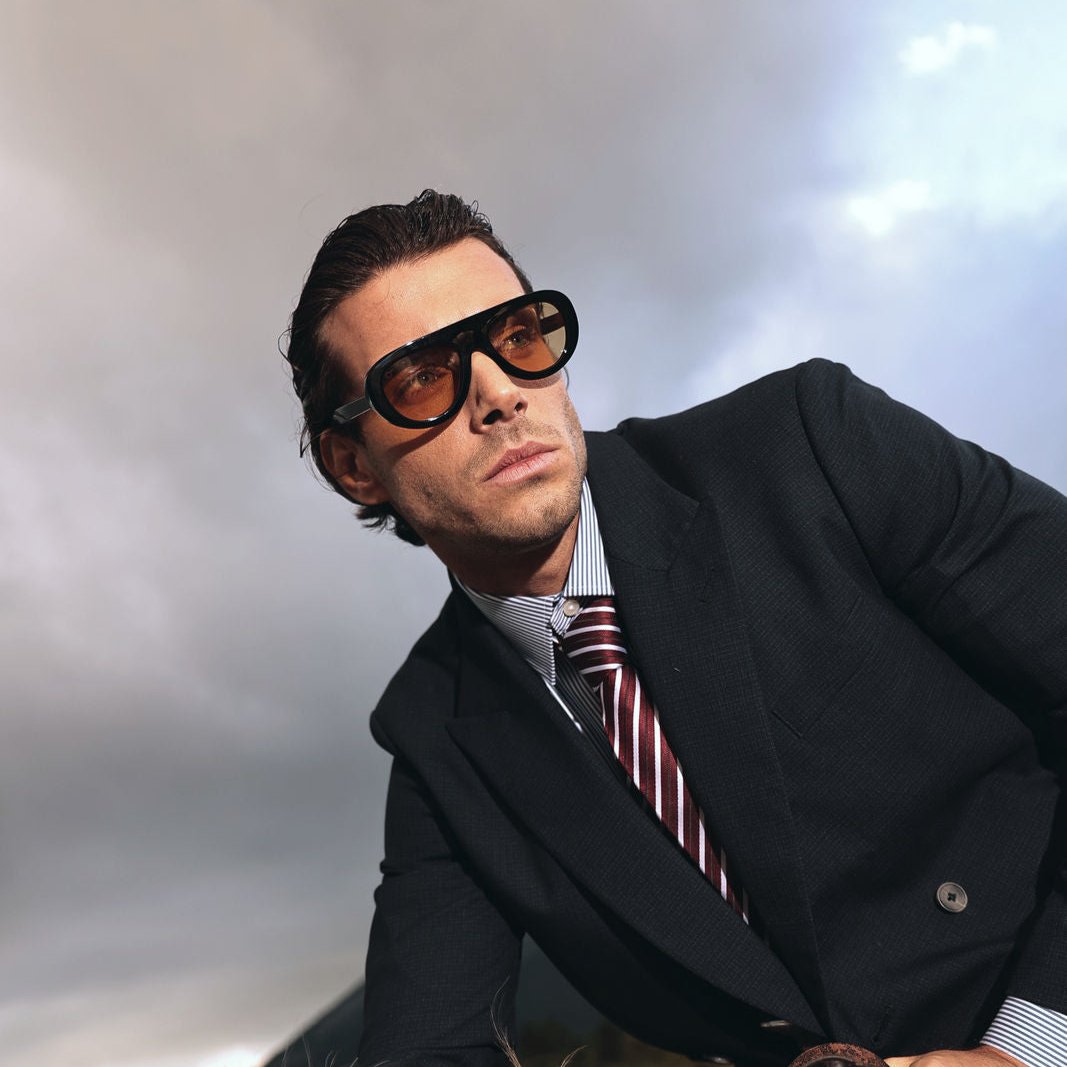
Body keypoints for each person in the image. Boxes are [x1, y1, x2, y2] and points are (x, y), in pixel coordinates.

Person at [283, 190, 1066, 1067]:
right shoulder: (436, 731)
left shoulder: (809, 446)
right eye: (422, 378)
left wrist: (1029, 1047)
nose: (499, 393)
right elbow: (427, 1042)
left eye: (517, 337)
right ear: (354, 465)